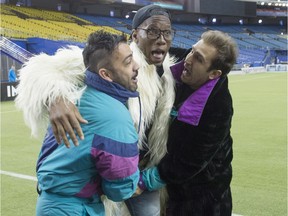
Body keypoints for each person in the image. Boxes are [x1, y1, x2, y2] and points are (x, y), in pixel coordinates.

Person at [16, 5, 178, 216]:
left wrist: (150, 178)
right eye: (153, 31)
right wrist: (55, 97)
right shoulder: (115, 57)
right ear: (135, 35)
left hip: (141, 176)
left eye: (167, 33)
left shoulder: (170, 74)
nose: (161, 39)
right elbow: (39, 69)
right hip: (104, 179)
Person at [157, 30, 238, 216]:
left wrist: (148, 179)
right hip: (175, 194)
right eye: (192, 50)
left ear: (214, 73)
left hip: (203, 201)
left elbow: (190, 162)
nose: (189, 59)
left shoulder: (218, 106)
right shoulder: (189, 64)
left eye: (199, 58)